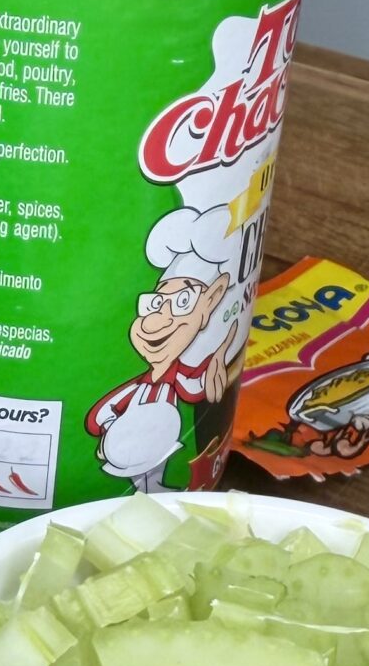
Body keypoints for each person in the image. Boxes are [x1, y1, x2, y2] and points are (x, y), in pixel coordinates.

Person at [87, 202, 254, 493]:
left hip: (159, 440)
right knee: (140, 465)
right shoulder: (142, 386)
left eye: (182, 303)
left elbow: (196, 386)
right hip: (131, 441)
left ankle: (152, 491)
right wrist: (111, 431)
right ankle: (147, 490)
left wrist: (217, 360)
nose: (158, 320)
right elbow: (101, 412)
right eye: (155, 304)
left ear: (212, 299)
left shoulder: (180, 376)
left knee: (154, 464)